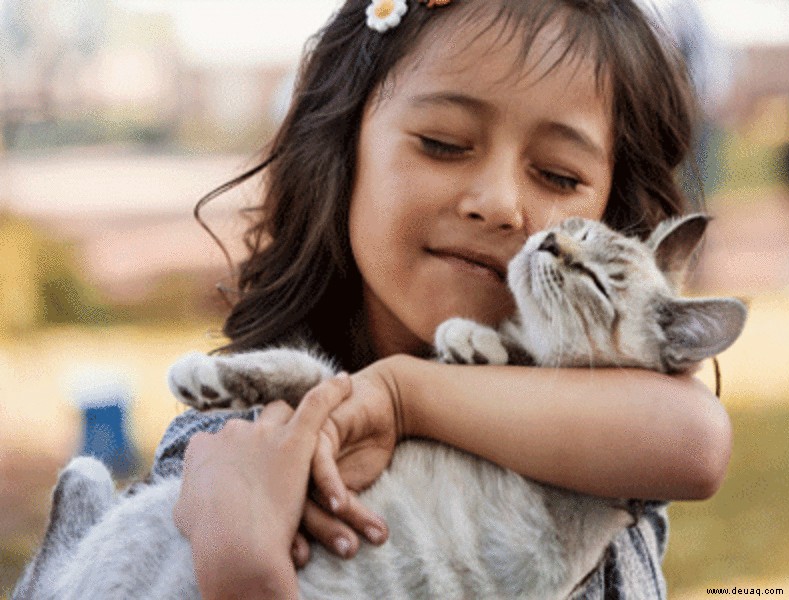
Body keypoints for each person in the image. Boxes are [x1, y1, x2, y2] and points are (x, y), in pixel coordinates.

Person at [157, 0, 733, 598]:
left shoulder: (605, 426)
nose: (499, 203)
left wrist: (403, 397)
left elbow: (698, 441)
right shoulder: (236, 440)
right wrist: (236, 565)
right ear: (342, 146)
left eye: (560, 177)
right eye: (443, 143)